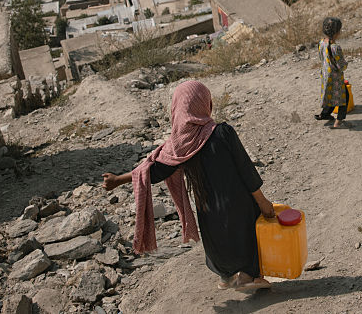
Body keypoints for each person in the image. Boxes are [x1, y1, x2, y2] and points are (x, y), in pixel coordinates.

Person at [102, 79, 276, 291]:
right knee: (247, 238)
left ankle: (227, 276)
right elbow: (246, 170)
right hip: (240, 204)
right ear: (205, 104)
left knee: (217, 244)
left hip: (208, 210)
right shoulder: (223, 133)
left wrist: (118, 180)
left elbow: (154, 171)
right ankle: (250, 276)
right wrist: (263, 202)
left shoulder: (179, 147)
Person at [314, 16, 349, 129]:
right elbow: (342, 66)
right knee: (343, 99)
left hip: (325, 75)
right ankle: (338, 122)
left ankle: (324, 114)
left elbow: (321, 58)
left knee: (329, 95)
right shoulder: (335, 47)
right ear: (337, 32)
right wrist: (345, 64)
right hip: (335, 78)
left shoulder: (321, 43)